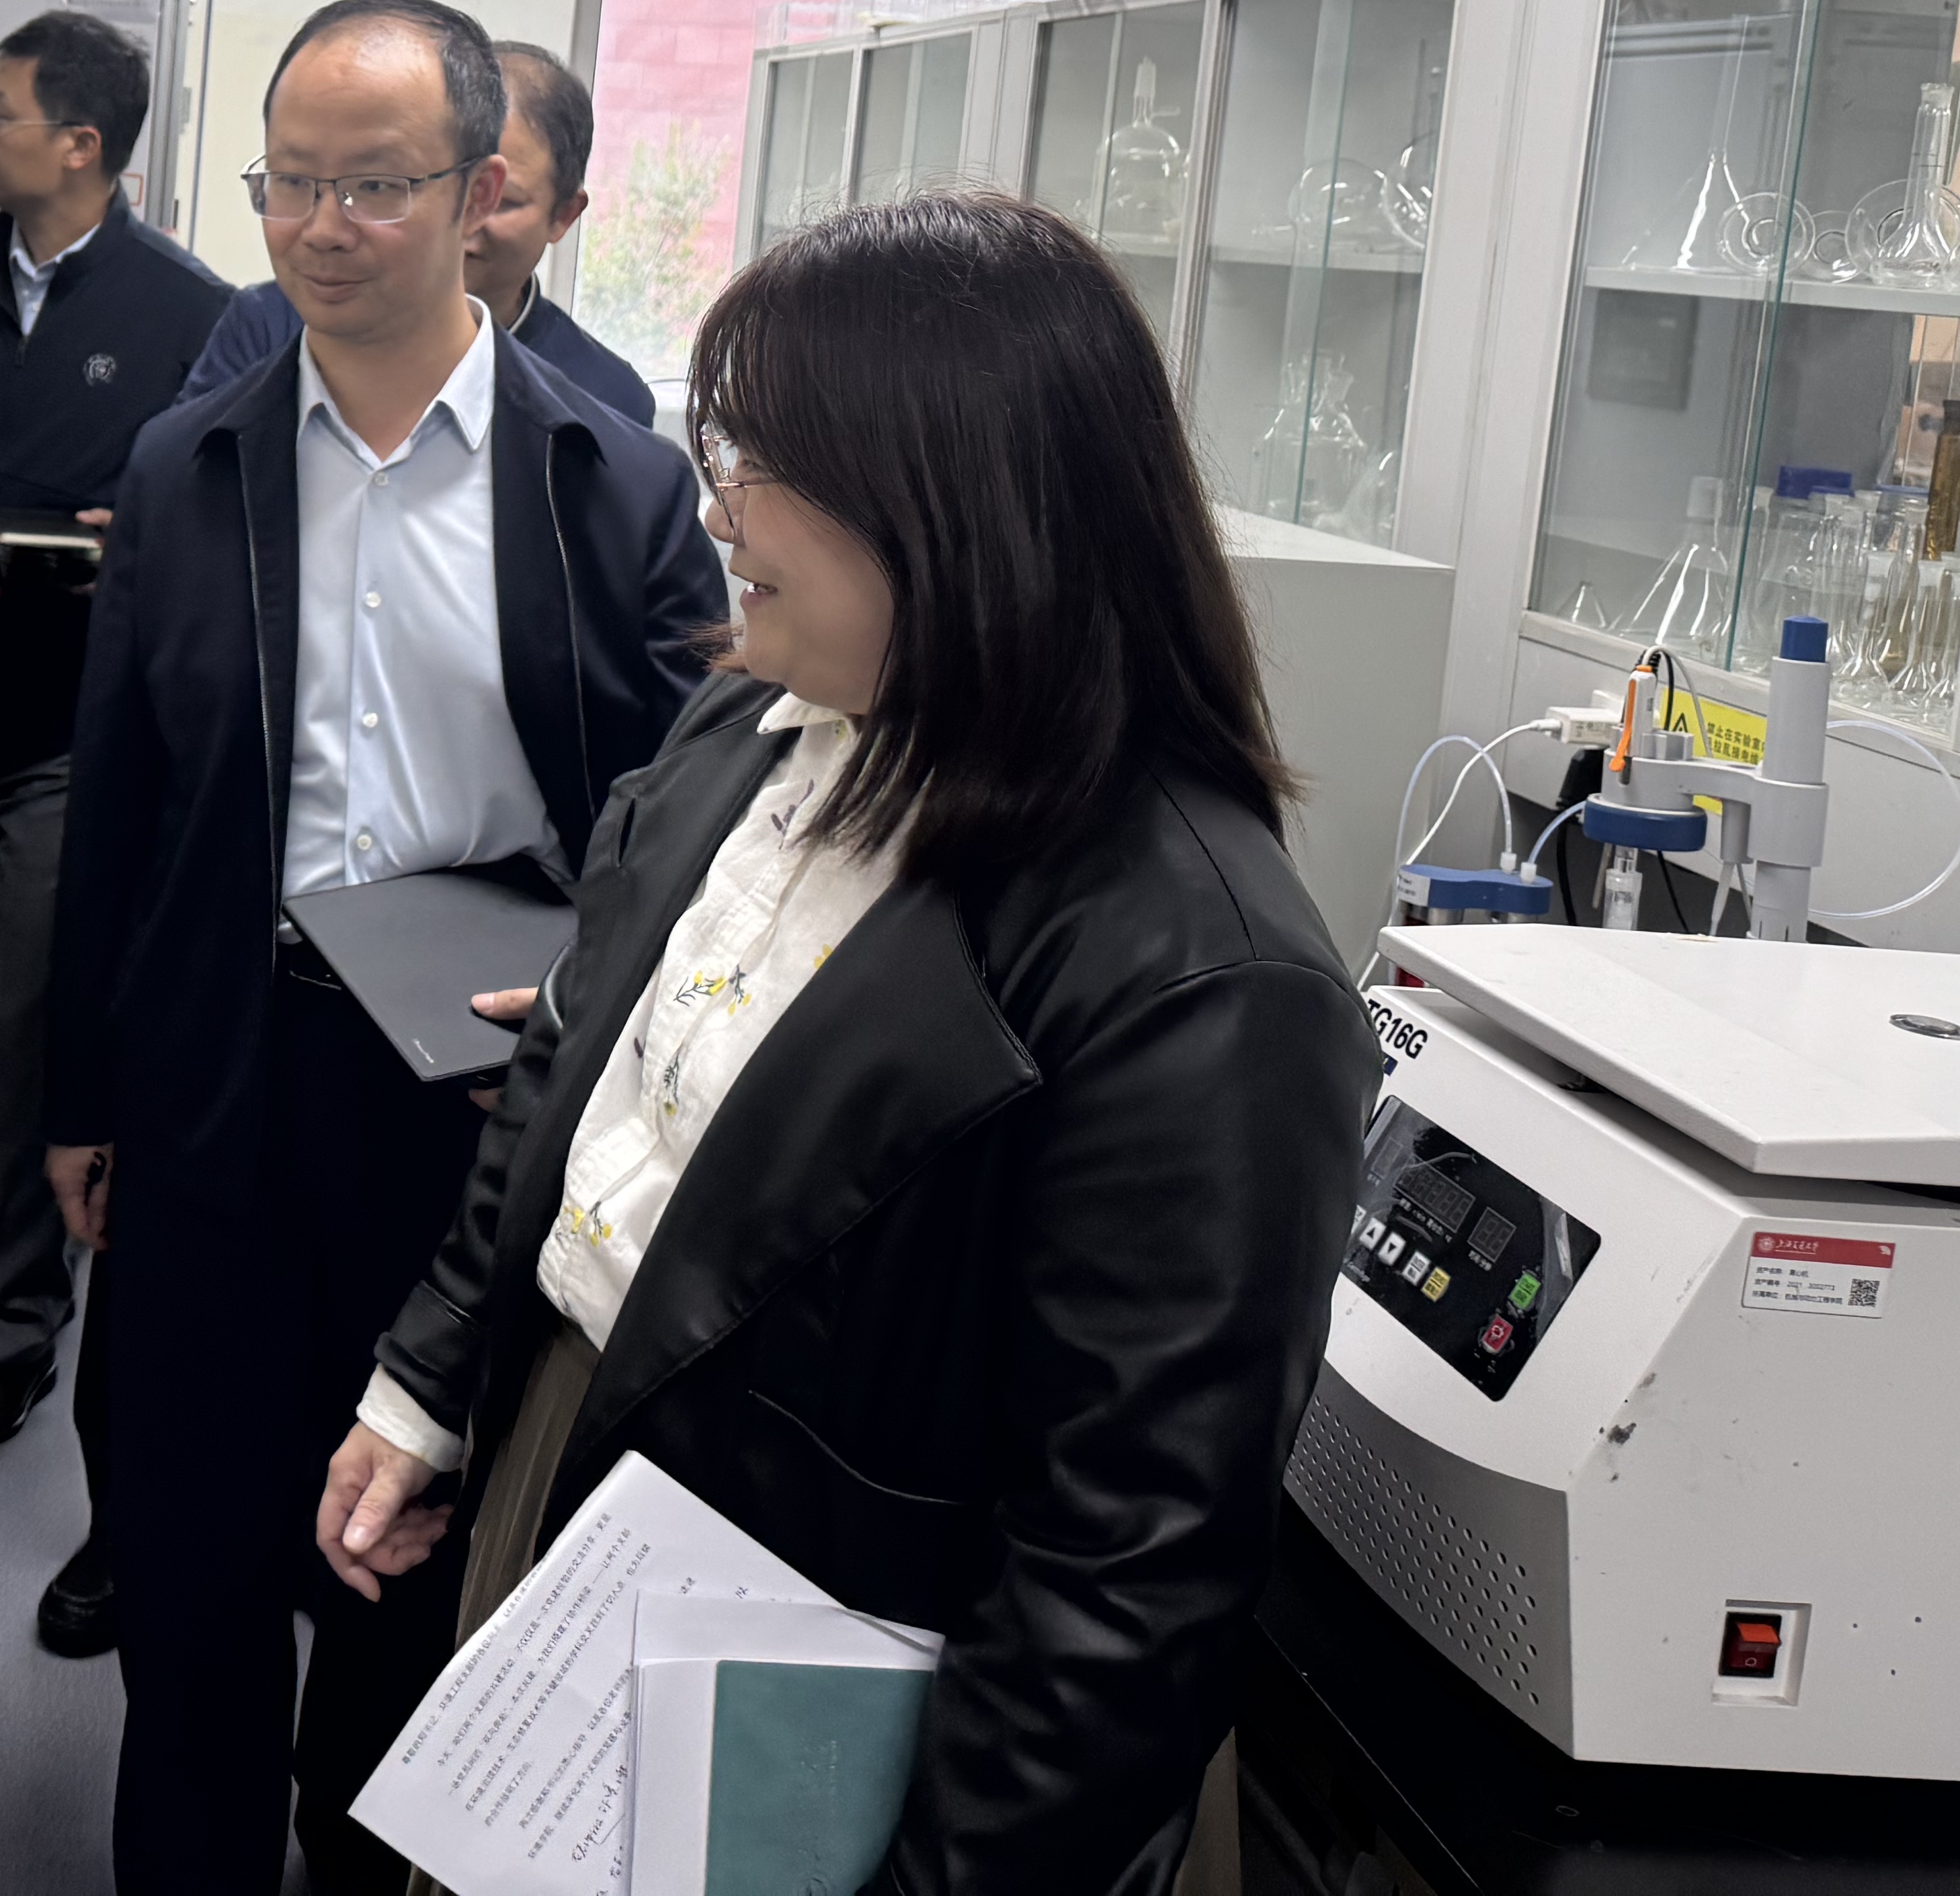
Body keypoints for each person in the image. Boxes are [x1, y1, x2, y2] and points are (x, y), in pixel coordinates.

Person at [317, 192, 1380, 1896]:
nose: (716, 508)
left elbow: (1119, 1591)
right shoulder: (761, 717)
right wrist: (432, 1384)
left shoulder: (1200, 976)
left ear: (951, 504)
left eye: (766, 462)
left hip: (846, 1678)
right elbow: (582, 1062)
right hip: (590, 1480)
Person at [44, 0, 725, 1895]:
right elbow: (117, 806)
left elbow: (684, 827)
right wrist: (80, 1093)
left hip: (463, 1112)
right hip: (215, 1085)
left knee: (400, 1613)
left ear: (481, 190)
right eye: (288, 186)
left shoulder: (610, 487)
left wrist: (587, 1014)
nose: (320, 229)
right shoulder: (190, 468)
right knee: (190, 1593)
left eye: (373, 186)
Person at [0, 11, 229, 1471]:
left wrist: (132, 538)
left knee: (27, 1021)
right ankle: (8, 1249)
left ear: (80, 144)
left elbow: (223, 527)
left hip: (70, 738)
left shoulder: (189, 310)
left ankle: (14, 1320)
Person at [178, 40, 655, 427]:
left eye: (500, 201)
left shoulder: (605, 396)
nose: (465, 217)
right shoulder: (271, 322)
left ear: (564, 215)